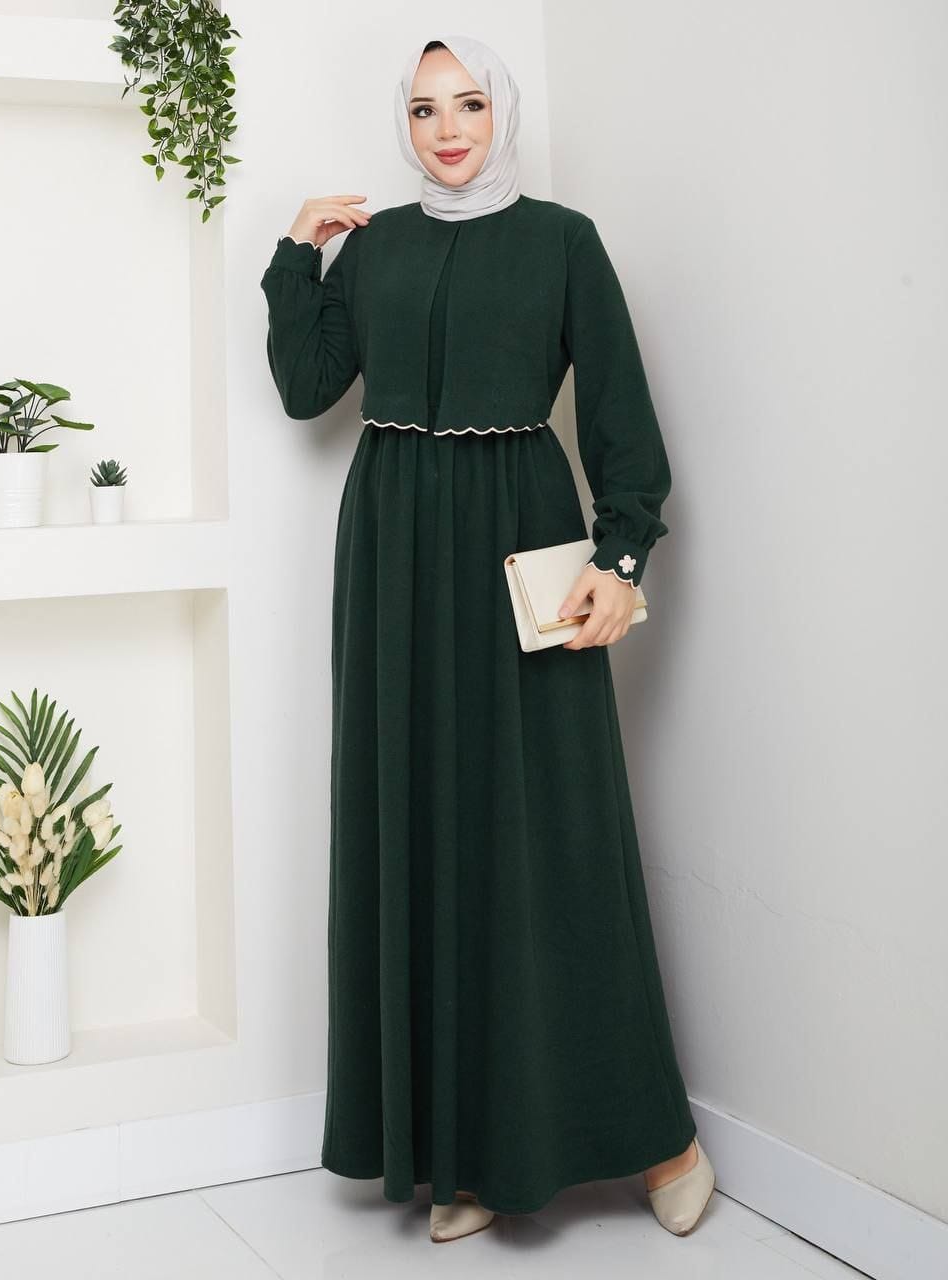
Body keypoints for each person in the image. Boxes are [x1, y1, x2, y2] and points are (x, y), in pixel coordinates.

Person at [259, 32, 715, 1245]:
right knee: (424, 829)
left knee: (555, 836)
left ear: (501, 111)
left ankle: (662, 1136)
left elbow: (622, 420)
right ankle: (464, 1148)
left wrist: (622, 556)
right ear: (404, 125)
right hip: (393, 555)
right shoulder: (377, 247)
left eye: (467, 103)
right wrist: (298, 255)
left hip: (525, 548)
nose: (448, 128)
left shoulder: (563, 240)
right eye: (424, 110)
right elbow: (308, 389)